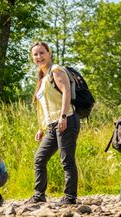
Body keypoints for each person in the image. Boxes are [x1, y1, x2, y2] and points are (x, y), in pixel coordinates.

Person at [29, 41, 81, 205]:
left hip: (67, 120)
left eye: (42, 53)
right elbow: (46, 106)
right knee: (39, 159)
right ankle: (39, 195)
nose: (39, 56)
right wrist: (41, 127)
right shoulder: (43, 77)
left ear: (49, 53)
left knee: (67, 160)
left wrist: (63, 116)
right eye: (35, 54)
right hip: (52, 126)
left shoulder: (56, 70)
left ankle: (70, 197)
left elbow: (66, 92)